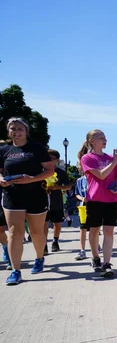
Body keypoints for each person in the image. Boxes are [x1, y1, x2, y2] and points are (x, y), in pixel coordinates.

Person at [0, 117, 55, 285]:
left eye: (19, 129)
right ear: (8, 131)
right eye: (12, 129)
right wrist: (1, 179)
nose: (16, 132)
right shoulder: (4, 150)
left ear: (26, 131)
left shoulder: (36, 149)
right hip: (12, 195)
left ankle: (39, 258)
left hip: (35, 195)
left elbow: (49, 170)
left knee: (36, 232)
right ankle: (16, 271)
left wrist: (31, 179)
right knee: (15, 233)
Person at [78, 129, 117, 277]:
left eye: (105, 137)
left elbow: (115, 177)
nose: (105, 140)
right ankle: (95, 257)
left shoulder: (110, 158)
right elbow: (101, 175)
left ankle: (107, 263)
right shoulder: (87, 158)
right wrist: (115, 161)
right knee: (95, 231)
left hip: (111, 200)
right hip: (95, 199)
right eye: (101, 138)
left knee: (109, 231)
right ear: (92, 141)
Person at [44, 150, 72, 254]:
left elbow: (69, 186)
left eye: (52, 159)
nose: (49, 161)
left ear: (57, 160)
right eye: (47, 158)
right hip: (42, 201)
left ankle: (55, 241)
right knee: (44, 224)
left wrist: (58, 187)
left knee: (57, 223)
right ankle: (43, 244)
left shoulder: (61, 172)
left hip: (56, 201)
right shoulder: (41, 171)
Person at [74, 165, 90, 260]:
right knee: (83, 228)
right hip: (83, 206)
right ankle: (82, 251)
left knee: (93, 228)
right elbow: (77, 194)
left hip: (94, 205)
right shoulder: (79, 180)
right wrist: (82, 198)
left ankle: (96, 245)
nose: (79, 168)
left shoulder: (94, 178)